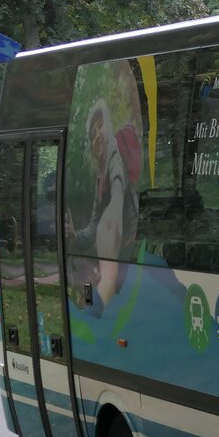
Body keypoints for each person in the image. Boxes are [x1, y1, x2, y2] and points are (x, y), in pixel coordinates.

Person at [65, 99, 141, 308]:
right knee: (87, 280)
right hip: (122, 259)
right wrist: (75, 236)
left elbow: (118, 187)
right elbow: (94, 225)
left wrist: (114, 209)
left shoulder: (115, 159)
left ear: (109, 129)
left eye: (101, 127)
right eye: (92, 134)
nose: (97, 136)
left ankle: (94, 306)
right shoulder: (100, 179)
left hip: (127, 258)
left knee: (94, 295)